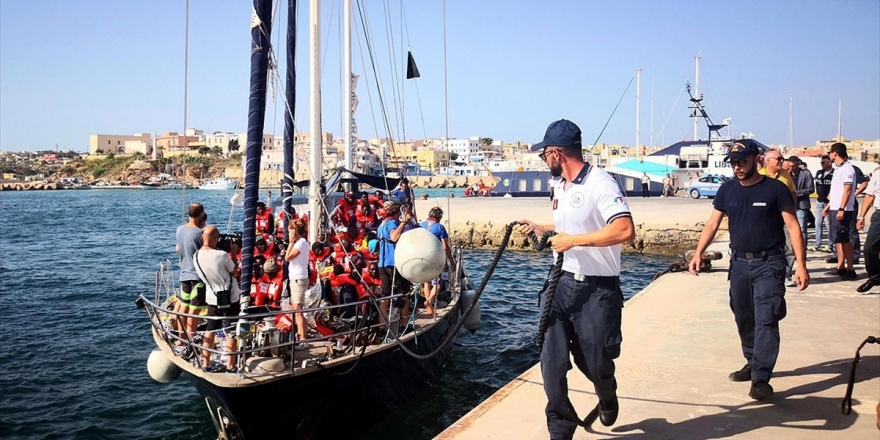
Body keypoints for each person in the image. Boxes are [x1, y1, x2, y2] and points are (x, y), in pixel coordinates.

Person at [514, 119, 635, 438]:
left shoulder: (600, 183)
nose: (544, 161)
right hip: (560, 284)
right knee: (552, 365)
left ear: (556, 153)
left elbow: (624, 229)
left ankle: (607, 394)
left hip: (597, 290)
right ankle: (560, 431)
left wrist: (573, 242)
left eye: (544, 155)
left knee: (596, 363)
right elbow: (569, 227)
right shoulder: (558, 186)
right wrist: (542, 229)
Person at [688, 140, 809, 401]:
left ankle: (761, 378)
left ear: (757, 160)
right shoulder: (727, 189)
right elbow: (713, 223)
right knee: (743, 316)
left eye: (742, 161)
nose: (737, 167)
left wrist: (801, 265)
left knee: (766, 318)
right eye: (733, 163)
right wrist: (698, 253)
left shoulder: (775, 189)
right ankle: (752, 361)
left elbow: (793, 227)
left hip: (769, 263)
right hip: (740, 264)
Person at [194, 225, 242, 373]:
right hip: (230, 298)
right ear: (216, 239)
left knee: (210, 330)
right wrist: (233, 253)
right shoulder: (222, 255)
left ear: (203, 238)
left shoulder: (196, 256)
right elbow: (234, 270)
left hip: (212, 298)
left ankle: (206, 364)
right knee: (231, 331)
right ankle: (230, 366)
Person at [376, 200, 415, 331]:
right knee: (404, 293)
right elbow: (393, 237)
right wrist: (403, 223)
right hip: (393, 263)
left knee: (385, 295)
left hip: (382, 264)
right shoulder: (392, 223)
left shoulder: (381, 225)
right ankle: (404, 324)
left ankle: (381, 327)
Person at [174, 203, 207, 349]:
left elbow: (178, 248)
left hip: (184, 274)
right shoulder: (200, 233)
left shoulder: (180, 229)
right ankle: (191, 337)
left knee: (184, 307)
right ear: (201, 214)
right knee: (194, 309)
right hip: (197, 275)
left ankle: (181, 338)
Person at [823, 143, 858, 280]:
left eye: (830, 152)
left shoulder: (847, 169)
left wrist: (842, 209)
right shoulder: (838, 168)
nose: (829, 155)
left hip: (843, 209)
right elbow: (836, 192)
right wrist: (829, 206)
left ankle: (850, 268)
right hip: (835, 207)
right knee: (838, 238)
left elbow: (847, 190)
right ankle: (840, 266)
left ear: (835, 153)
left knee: (844, 238)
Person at [419, 206, 456, 317]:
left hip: (422, 257)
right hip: (434, 258)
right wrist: (452, 261)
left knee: (427, 282)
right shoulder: (440, 227)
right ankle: (429, 301)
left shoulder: (421, 225)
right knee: (438, 283)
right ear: (439, 216)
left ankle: (429, 308)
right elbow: (445, 247)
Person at [283, 219, 310, 349]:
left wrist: (290, 242)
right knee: (296, 310)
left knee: (298, 310)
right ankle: (300, 335)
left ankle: (303, 339)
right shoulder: (300, 243)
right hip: (295, 279)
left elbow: (288, 257)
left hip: (299, 280)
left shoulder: (301, 243)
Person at [856, 165, 880, 294]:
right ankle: (875, 277)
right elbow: (869, 196)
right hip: (879, 215)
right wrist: (861, 216)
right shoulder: (877, 175)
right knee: (869, 248)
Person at [788, 157, 815, 247]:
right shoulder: (787, 174)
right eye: (789, 166)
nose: (791, 168)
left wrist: (797, 193)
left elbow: (811, 189)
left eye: (793, 166)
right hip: (789, 205)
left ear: (798, 165)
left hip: (801, 205)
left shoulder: (806, 174)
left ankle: (802, 250)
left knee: (802, 229)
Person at [812, 155, 834, 252]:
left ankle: (830, 244)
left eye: (824, 162)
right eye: (821, 162)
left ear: (829, 162)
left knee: (828, 224)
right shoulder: (819, 172)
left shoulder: (834, 173)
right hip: (819, 201)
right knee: (818, 223)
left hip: (829, 202)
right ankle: (817, 244)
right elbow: (817, 185)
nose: (822, 164)